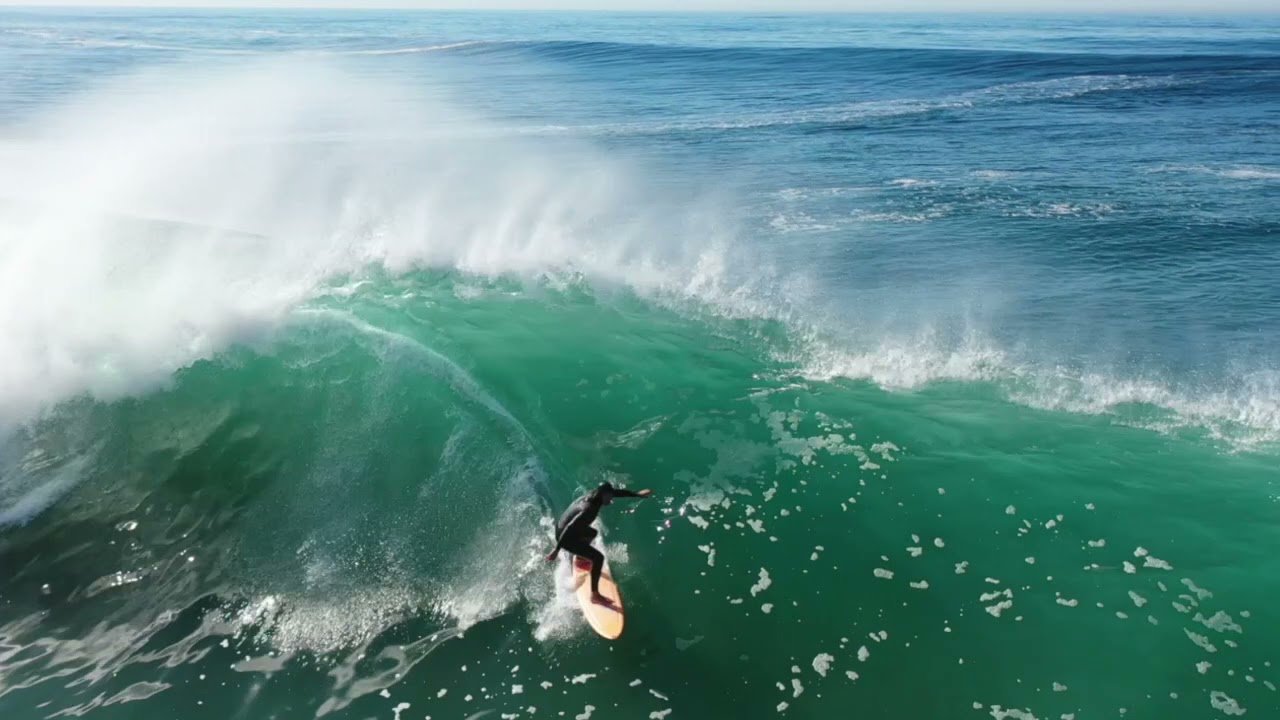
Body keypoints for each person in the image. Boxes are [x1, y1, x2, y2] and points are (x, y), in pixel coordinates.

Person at [546, 481, 652, 606]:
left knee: (592, 533)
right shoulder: (588, 509)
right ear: (603, 495)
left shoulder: (596, 495)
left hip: (565, 529)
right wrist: (556, 550)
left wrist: (637, 494)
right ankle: (594, 595)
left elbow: (617, 493)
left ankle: (580, 556)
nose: (612, 499)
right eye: (610, 496)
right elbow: (569, 528)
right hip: (565, 536)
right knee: (598, 558)